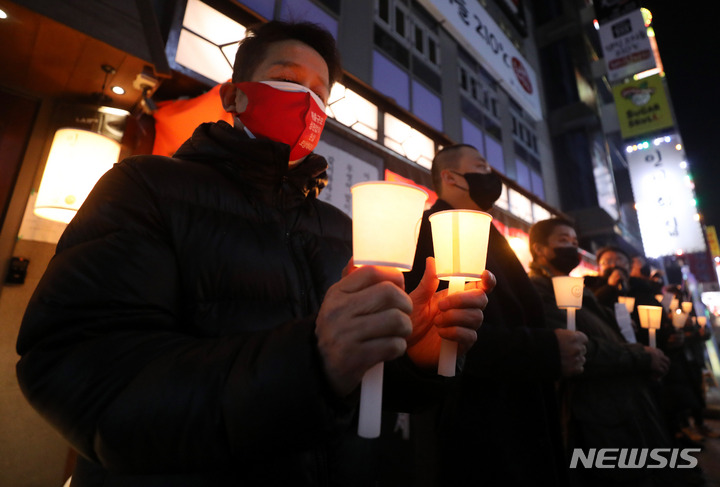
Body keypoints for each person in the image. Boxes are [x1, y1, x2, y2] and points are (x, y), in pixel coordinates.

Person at [15, 22, 493, 486]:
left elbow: (364, 391)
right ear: (233, 95)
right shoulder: (147, 189)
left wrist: (411, 356)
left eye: (320, 95)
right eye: (287, 80)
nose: (306, 102)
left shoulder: (339, 229)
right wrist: (313, 359)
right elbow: (85, 377)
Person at [397, 144, 588, 487]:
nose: (491, 176)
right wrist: (544, 350)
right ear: (451, 177)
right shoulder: (427, 234)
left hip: (518, 413)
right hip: (478, 426)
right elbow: (439, 332)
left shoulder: (489, 234)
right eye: (481, 166)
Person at [528, 218, 683, 487]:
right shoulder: (539, 290)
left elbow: (604, 335)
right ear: (539, 249)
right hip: (599, 419)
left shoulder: (578, 289)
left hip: (625, 408)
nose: (573, 247)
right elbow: (579, 348)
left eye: (576, 242)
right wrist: (642, 356)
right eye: (564, 240)